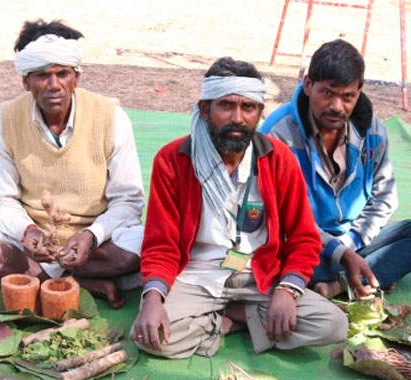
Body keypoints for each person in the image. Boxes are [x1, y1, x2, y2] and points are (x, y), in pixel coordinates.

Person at [131, 57, 348, 359]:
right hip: (195, 276)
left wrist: (287, 291)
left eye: (248, 107)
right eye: (226, 106)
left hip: (257, 277)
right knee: (150, 337)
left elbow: (304, 237)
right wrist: (153, 299)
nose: (238, 117)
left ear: (260, 113)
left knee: (333, 324)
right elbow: (161, 244)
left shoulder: (278, 159)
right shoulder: (173, 159)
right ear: (205, 109)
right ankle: (237, 319)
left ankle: (231, 317)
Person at [0, 19, 144, 308]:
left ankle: (36, 280)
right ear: (26, 81)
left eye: (62, 74)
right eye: (42, 76)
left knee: (149, 246)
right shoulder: (5, 120)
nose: (54, 85)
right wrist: (28, 232)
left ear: (77, 77)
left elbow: (128, 200)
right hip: (33, 238)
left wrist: (90, 236)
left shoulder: (111, 117)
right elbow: (2, 201)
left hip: (96, 241)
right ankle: (77, 283)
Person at [261, 39, 411, 300]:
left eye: (347, 96)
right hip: (302, 243)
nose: (337, 106)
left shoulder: (372, 131)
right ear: (307, 85)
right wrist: (339, 252)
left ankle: (339, 285)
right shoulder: (277, 134)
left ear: (359, 92)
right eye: (327, 93)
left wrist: (350, 243)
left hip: (354, 239)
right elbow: (282, 215)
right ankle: (369, 275)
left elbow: (383, 197)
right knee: (267, 262)